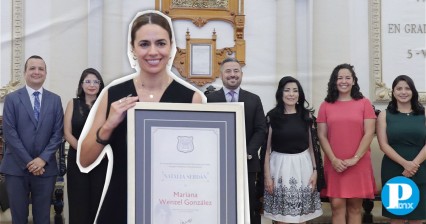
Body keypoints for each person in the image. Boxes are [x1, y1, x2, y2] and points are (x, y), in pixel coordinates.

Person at [77, 10, 204, 223]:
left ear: (171, 47)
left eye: (161, 43)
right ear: (133, 49)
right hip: (120, 204)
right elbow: (84, 159)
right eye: (144, 44)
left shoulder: (192, 99)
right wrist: (108, 125)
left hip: (172, 208)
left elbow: (200, 164)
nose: (153, 52)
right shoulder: (113, 94)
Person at [0, 55, 64, 223]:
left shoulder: (55, 100)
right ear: (25, 72)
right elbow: (10, 133)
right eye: (32, 68)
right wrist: (31, 162)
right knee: (19, 218)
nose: (37, 72)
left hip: (46, 169)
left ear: (45, 73)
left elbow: (58, 133)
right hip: (16, 168)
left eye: (41, 69)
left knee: (43, 218)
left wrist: (42, 159)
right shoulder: (12, 99)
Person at [206, 57, 266, 224]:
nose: (232, 75)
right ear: (221, 75)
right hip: (217, 165)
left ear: (241, 74)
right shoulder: (209, 100)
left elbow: (261, 129)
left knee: (248, 205)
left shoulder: (254, 99)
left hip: (247, 163)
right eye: (228, 71)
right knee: (220, 205)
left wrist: (247, 152)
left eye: (236, 71)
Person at [317, 63, 377, 224]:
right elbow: (322, 135)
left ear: (354, 81)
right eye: (339, 78)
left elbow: (369, 133)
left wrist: (355, 158)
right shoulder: (325, 105)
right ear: (334, 81)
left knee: (355, 207)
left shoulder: (364, 103)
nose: (344, 81)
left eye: (347, 77)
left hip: (358, 162)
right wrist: (334, 159)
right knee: (336, 206)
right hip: (334, 162)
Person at [263, 76, 323, 223]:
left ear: (299, 94)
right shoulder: (272, 117)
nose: (291, 94)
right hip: (279, 169)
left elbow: (313, 147)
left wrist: (315, 171)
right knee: (281, 218)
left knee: (302, 218)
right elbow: (266, 150)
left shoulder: (307, 116)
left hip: (303, 167)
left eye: (295, 91)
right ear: (280, 93)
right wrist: (266, 176)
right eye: (287, 90)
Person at [376, 75, 426, 223]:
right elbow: (383, 145)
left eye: (407, 88)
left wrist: (413, 165)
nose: (403, 92)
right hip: (394, 169)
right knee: (397, 218)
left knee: (417, 218)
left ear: (413, 91)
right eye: (399, 88)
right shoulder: (384, 115)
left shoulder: (423, 114)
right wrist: (406, 164)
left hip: (420, 168)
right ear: (393, 92)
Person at [64, 68, 107, 224]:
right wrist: (83, 150)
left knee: (98, 201)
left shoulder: (106, 105)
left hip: (101, 159)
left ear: (101, 85)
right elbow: (67, 132)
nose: (92, 85)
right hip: (77, 159)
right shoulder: (73, 103)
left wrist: (95, 152)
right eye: (88, 81)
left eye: (96, 81)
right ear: (81, 84)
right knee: (78, 202)